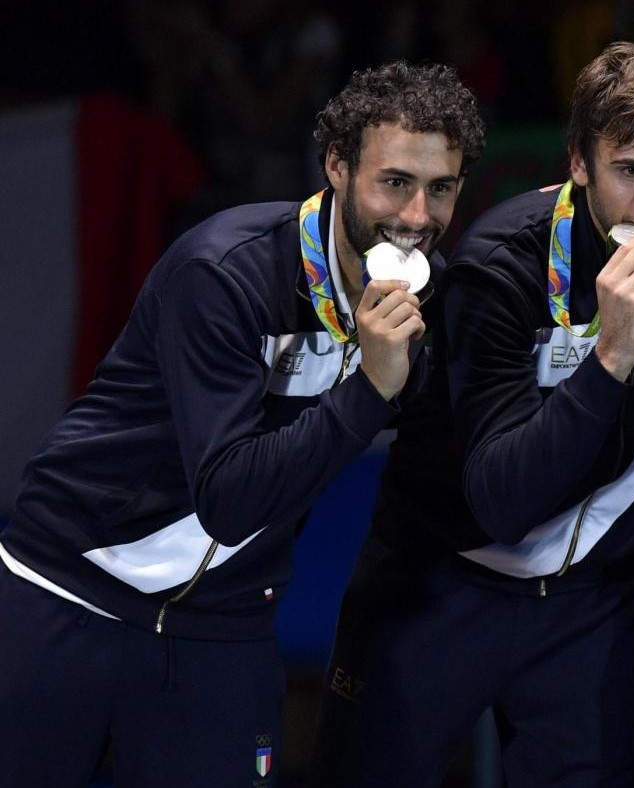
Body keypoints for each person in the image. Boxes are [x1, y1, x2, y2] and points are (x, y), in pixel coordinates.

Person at [0, 62, 484, 787]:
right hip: (67, 592)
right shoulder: (226, 273)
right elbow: (227, 501)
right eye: (394, 183)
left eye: (440, 187)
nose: (417, 218)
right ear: (336, 166)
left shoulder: (427, 306)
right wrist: (369, 388)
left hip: (223, 629)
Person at [309, 42, 634, 788]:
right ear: (578, 163)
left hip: (595, 602)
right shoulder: (499, 269)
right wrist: (611, 357)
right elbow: (503, 501)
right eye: (630, 170)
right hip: (442, 583)